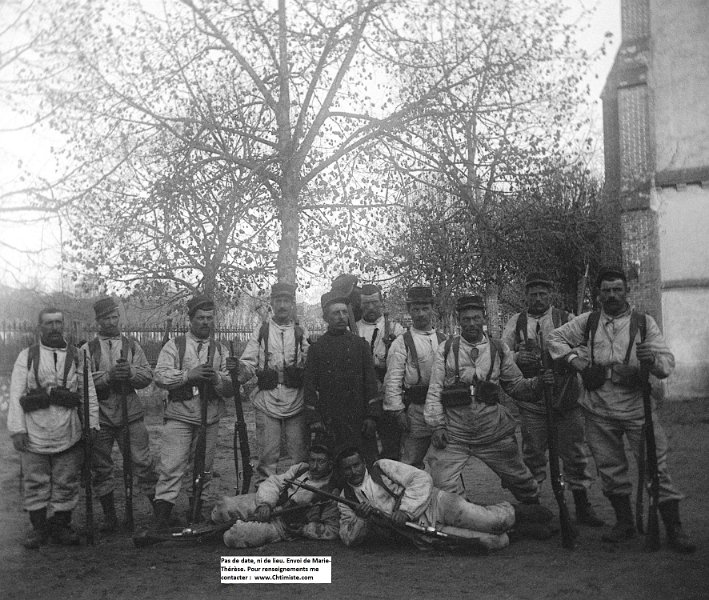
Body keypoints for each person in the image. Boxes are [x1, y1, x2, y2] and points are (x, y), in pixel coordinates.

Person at [547, 266, 695, 552]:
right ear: (599, 294)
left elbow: (666, 364)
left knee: (656, 468)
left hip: (637, 410)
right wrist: (578, 362)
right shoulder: (588, 321)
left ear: (626, 291)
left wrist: (648, 362)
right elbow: (555, 339)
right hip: (598, 409)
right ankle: (624, 523)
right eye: (606, 291)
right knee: (610, 469)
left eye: (617, 289)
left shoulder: (643, 323)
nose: (612, 295)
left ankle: (674, 529)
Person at [424, 295, 548, 505]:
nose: (471, 323)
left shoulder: (498, 349)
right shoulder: (446, 349)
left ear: (483, 319)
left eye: (476, 318)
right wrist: (437, 426)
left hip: (493, 431)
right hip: (455, 432)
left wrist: (539, 383)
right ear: (459, 320)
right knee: (440, 483)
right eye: (466, 319)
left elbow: (516, 385)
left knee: (522, 480)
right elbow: (435, 389)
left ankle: (531, 512)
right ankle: (468, 516)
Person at [501, 273, 603, 527]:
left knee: (574, 453)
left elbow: (585, 348)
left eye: (542, 293)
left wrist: (567, 357)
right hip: (533, 399)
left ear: (550, 295)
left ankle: (582, 506)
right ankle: (533, 510)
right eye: (533, 294)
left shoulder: (566, 318)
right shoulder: (517, 321)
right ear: (526, 296)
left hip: (565, 395)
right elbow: (501, 354)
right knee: (533, 453)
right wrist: (517, 357)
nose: (537, 298)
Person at [336, 447, 553, 551]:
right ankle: (520, 532)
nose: (353, 471)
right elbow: (349, 538)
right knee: (490, 542)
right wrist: (361, 519)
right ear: (342, 471)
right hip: (420, 532)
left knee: (495, 521)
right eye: (347, 468)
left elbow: (421, 479)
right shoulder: (345, 498)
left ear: (363, 461)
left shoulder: (381, 467)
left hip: (437, 504)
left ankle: (516, 512)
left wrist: (406, 510)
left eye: (356, 464)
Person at [8, 308, 99, 548]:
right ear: (40, 327)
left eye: (58, 322)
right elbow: (16, 394)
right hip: (34, 431)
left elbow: (88, 392)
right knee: (35, 482)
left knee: (66, 480)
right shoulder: (26, 356)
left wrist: (91, 424)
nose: (54, 327)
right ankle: (38, 529)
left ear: (63, 326)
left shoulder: (78, 356)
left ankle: (61, 527)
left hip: (68, 431)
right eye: (49, 323)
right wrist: (17, 430)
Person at [152, 294, 232, 527]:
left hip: (210, 416)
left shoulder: (220, 349)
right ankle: (162, 518)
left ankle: (196, 512)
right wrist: (189, 376)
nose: (205, 322)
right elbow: (160, 375)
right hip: (180, 415)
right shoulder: (175, 345)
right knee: (172, 466)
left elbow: (230, 386)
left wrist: (217, 377)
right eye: (200, 318)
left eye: (209, 318)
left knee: (204, 469)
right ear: (190, 319)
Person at [83, 297, 157, 532]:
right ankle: (110, 518)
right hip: (101, 417)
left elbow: (147, 375)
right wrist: (109, 376)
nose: (112, 322)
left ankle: (159, 513)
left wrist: (131, 373)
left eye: (115, 317)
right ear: (98, 321)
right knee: (102, 467)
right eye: (107, 318)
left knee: (142, 462)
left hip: (131, 414)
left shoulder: (132, 345)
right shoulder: (87, 349)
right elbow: (82, 381)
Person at [235, 282, 309, 487]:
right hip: (267, 400)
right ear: (272, 304)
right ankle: (264, 499)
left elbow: (310, 361)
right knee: (267, 458)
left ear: (292, 304)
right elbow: (248, 362)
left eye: (287, 301)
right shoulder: (262, 331)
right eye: (278, 301)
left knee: (300, 458)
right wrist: (238, 371)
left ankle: (297, 497)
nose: (283, 305)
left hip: (296, 399)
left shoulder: (301, 331)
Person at [211, 444, 339, 548]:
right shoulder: (301, 469)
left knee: (233, 536)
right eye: (312, 460)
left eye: (321, 461)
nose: (315, 466)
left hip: (282, 526)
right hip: (268, 505)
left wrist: (305, 529)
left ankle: (234, 525)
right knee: (221, 508)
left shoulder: (330, 491)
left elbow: (333, 530)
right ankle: (233, 522)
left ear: (330, 464)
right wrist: (265, 504)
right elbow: (274, 482)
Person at [303, 291, 380, 464]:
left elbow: (370, 382)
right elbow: (309, 386)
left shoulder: (360, 346)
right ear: (326, 317)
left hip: (358, 419)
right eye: (336, 313)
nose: (341, 317)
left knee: (364, 465)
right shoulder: (317, 349)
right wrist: (314, 418)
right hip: (331, 420)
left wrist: (372, 416)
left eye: (344, 312)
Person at [384, 286, 446, 468]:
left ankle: (447, 496)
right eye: (416, 309)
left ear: (432, 309)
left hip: (442, 409)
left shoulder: (444, 339)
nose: (420, 314)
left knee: (444, 460)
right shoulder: (402, 342)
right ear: (409, 310)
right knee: (411, 460)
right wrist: (398, 412)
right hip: (416, 409)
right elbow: (393, 380)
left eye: (425, 308)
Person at [356, 283, 404, 460]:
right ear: (360, 305)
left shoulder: (395, 329)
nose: (370, 307)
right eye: (366, 303)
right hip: (363, 393)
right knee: (366, 443)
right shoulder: (354, 329)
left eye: (374, 303)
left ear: (382, 303)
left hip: (387, 388)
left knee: (391, 443)